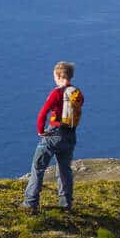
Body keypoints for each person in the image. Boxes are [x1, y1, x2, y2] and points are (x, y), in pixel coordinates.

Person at [24, 61, 83, 213]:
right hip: (70, 136)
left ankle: (30, 204)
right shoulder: (76, 93)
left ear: (57, 76)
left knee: (38, 167)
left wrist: (40, 131)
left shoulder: (56, 93)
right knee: (64, 170)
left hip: (53, 134)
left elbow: (43, 113)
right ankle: (66, 204)